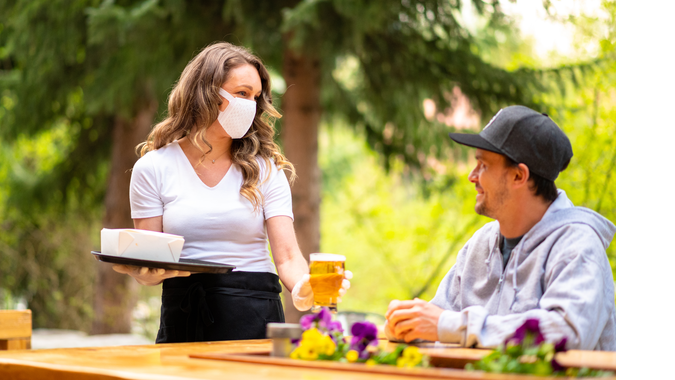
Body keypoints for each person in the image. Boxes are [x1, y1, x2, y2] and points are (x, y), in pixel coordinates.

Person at [111, 42, 351, 343]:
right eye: (242, 93)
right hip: (184, 316)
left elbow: (288, 257)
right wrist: (137, 269)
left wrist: (306, 288)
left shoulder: (266, 170)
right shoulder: (153, 168)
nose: (251, 105)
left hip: (255, 314)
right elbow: (153, 266)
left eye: (255, 96)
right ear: (206, 92)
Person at [384, 105, 615, 350]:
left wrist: (449, 326)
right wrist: (407, 325)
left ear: (519, 176)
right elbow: (439, 320)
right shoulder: (480, 244)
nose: (472, 176)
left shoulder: (578, 245)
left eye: (483, 165)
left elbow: (568, 333)